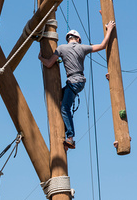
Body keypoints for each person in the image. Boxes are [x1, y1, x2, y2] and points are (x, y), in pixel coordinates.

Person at [38, 20, 116, 149]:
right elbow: (103, 45)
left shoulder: (61, 48)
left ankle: (70, 137)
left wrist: (41, 58)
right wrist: (110, 29)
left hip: (72, 82)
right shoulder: (82, 47)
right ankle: (66, 131)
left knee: (64, 107)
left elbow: (48, 64)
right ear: (78, 39)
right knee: (61, 101)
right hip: (79, 82)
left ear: (68, 38)